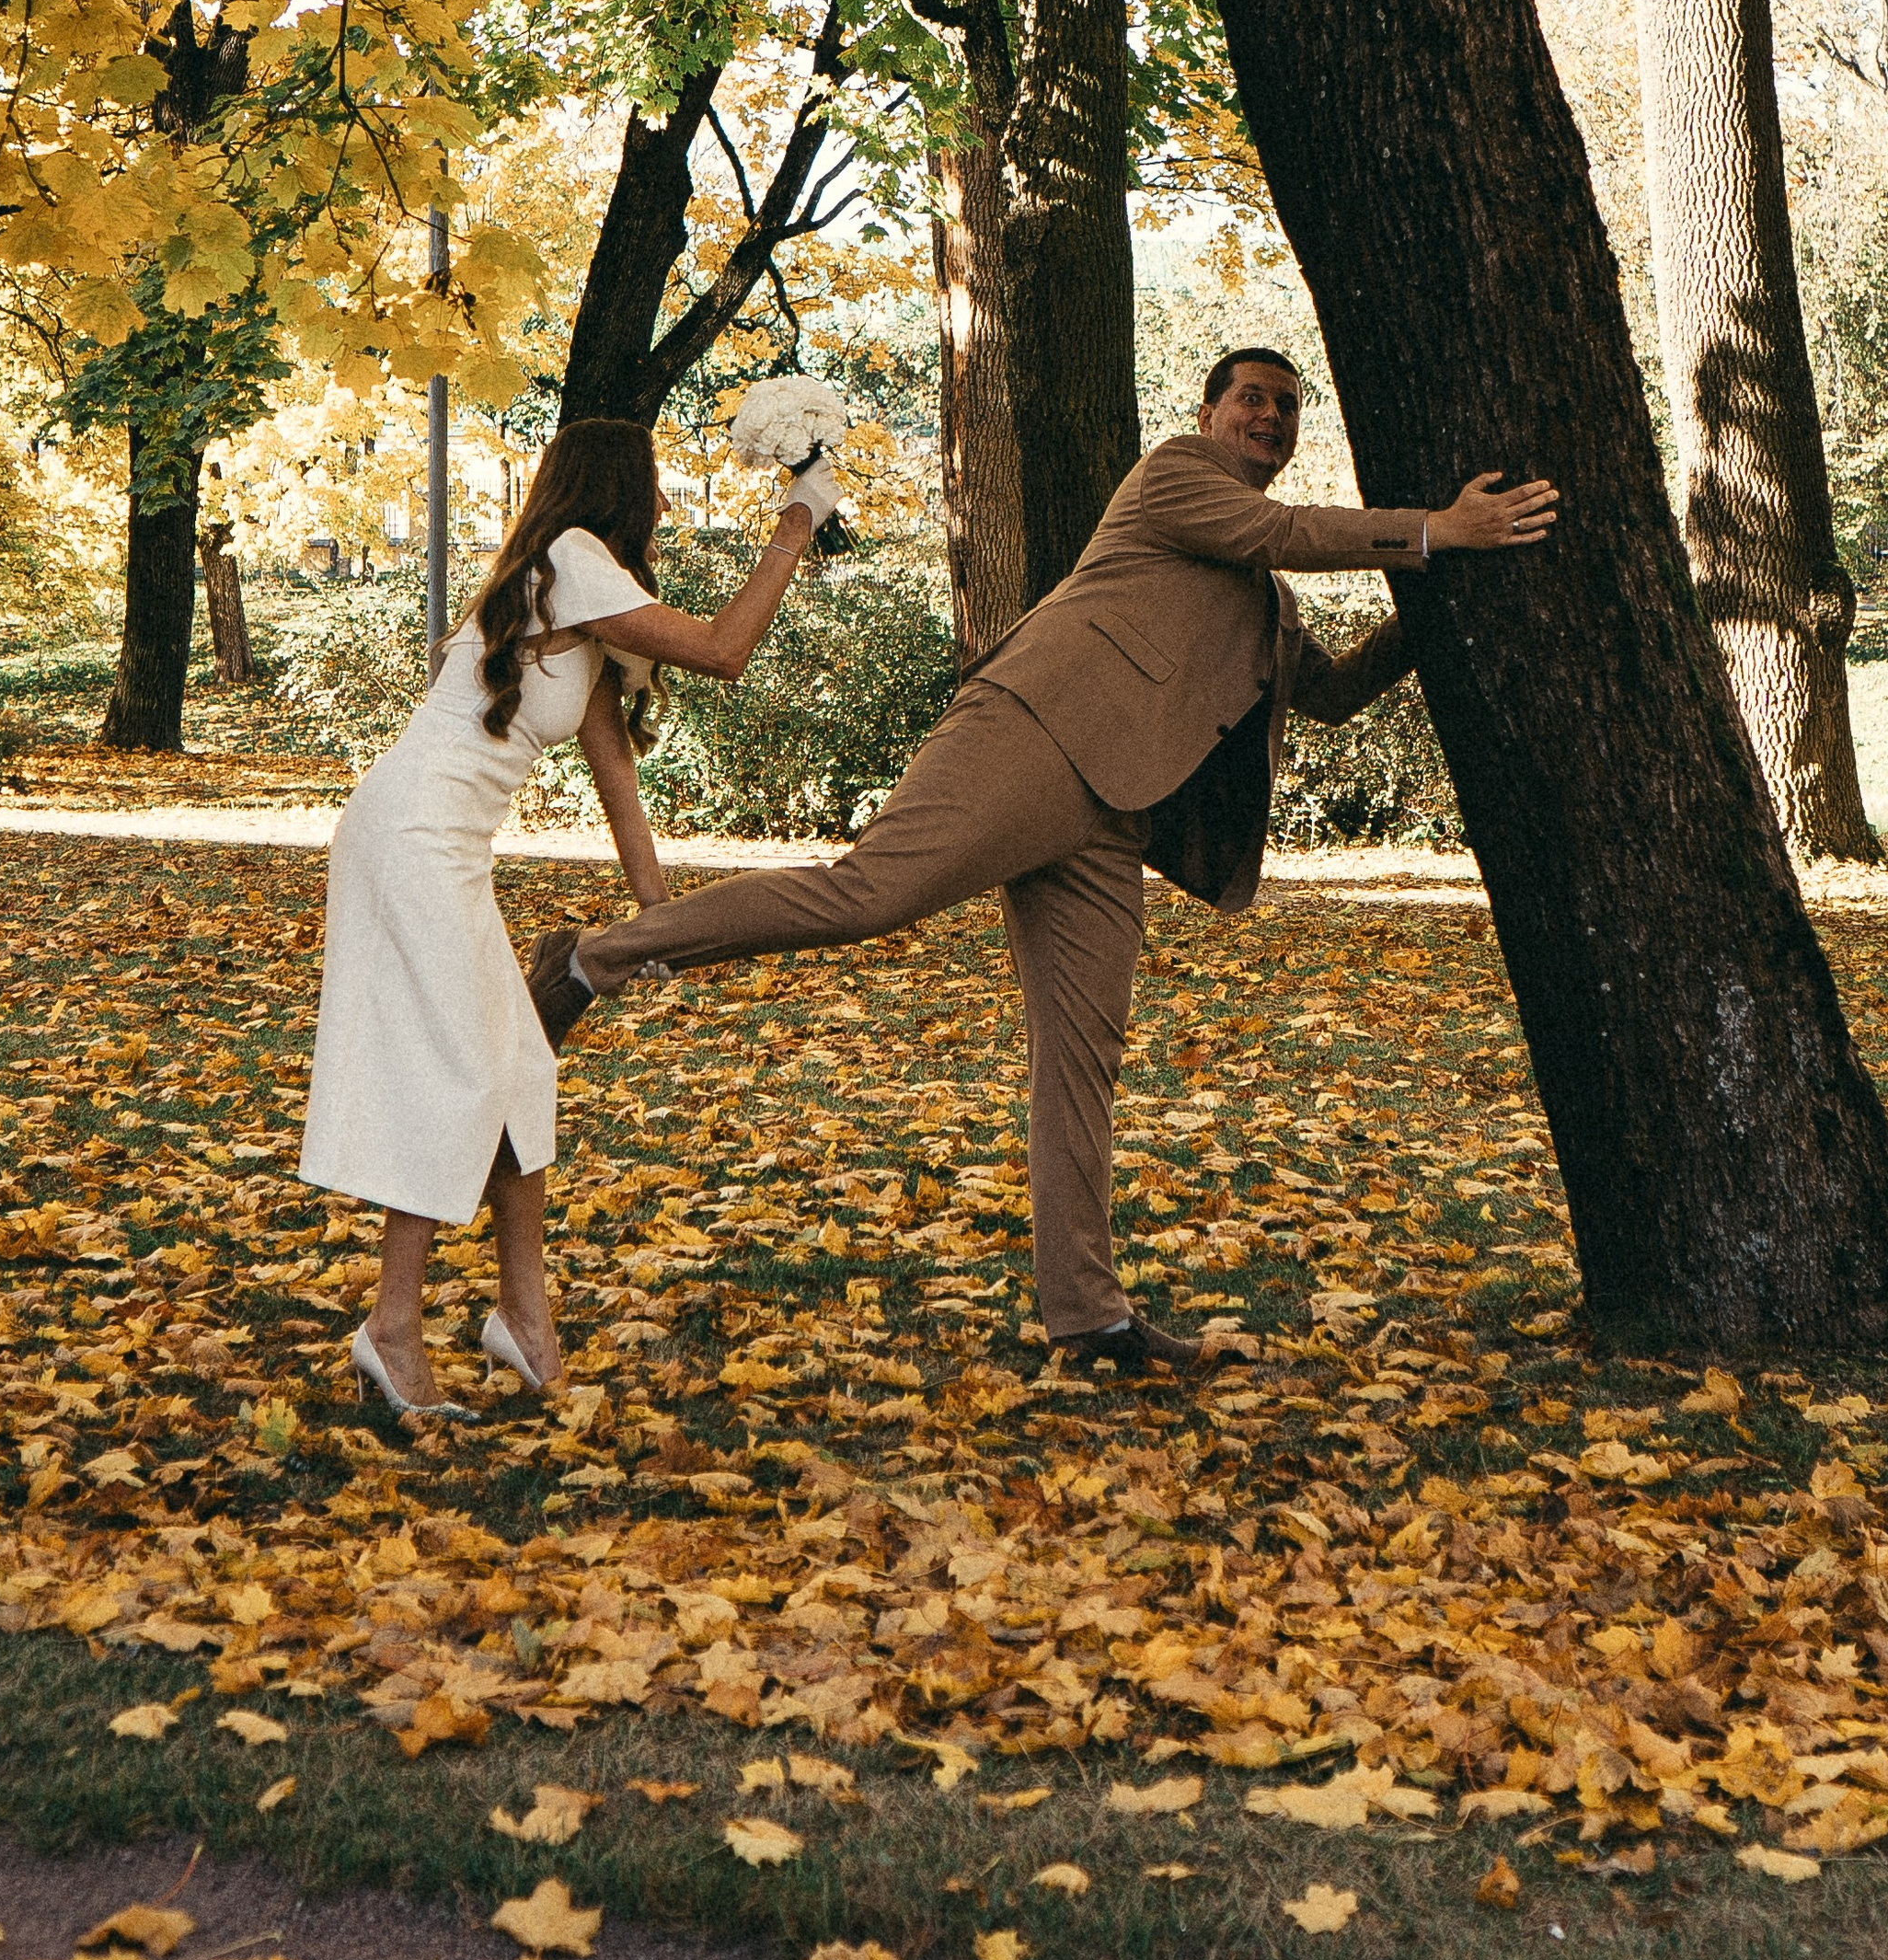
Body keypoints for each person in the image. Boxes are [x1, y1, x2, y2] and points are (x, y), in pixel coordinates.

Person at [529, 352, 1557, 1377]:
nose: (1270, 417)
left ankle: (1089, 1317)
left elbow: (1327, 694)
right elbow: (1280, 528)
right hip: (1030, 735)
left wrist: (1442, 603)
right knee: (869, 892)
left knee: (1081, 1057)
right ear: (1208, 412)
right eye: (1252, 398)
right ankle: (592, 957)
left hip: (1114, 821)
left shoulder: (1270, 604)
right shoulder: (1175, 478)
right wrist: (1436, 529)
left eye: (1287, 408)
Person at [302, 413, 835, 1417]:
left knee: (521, 1070)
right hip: (408, 836)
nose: (668, 506)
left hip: (438, 841)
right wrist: (795, 525)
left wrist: (659, 921)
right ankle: (392, 1326)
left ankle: (523, 1319)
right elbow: (726, 651)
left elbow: (616, 777)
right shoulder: (572, 557)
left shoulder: (579, 600)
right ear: (617, 493)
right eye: (657, 488)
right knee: (461, 1070)